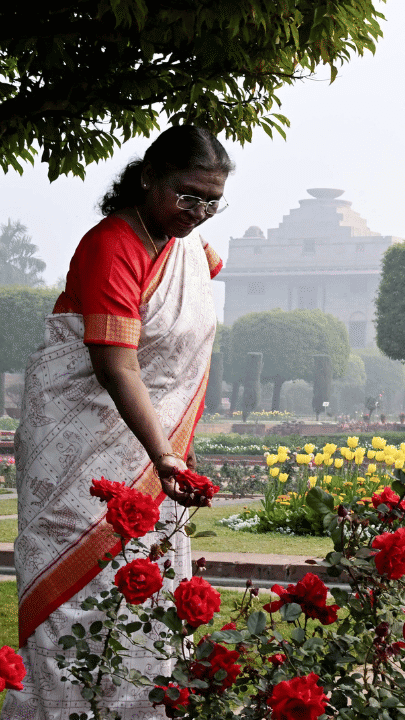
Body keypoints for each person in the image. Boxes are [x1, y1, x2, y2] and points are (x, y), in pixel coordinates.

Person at [3, 126, 231, 719]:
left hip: (148, 453)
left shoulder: (190, 253)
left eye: (211, 201)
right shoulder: (113, 245)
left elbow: (187, 308)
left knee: (144, 597)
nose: (198, 213)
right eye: (187, 195)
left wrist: (162, 458)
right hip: (82, 460)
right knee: (78, 604)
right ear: (149, 176)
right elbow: (115, 364)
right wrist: (166, 457)